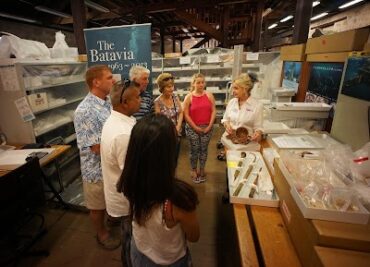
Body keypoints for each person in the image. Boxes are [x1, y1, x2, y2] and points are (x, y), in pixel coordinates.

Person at [117, 114, 200, 267]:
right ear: (168, 152)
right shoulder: (180, 198)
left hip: (139, 252)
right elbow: (194, 236)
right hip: (170, 261)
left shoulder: (129, 180)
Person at [74, 65, 120, 250]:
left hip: (110, 164)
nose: (114, 80)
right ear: (96, 82)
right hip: (95, 169)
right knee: (97, 204)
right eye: (109, 77)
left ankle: (111, 219)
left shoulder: (107, 101)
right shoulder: (84, 111)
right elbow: (95, 147)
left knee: (109, 198)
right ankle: (101, 233)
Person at [101, 79, 141, 265]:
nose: (140, 100)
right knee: (131, 242)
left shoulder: (117, 120)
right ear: (124, 103)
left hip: (121, 195)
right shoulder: (123, 133)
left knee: (129, 239)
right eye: (137, 97)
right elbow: (132, 175)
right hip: (127, 201)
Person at [183, 73, 216, 183]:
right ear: (193, 84)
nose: (201, 84)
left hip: (207, 128)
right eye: (198, 82)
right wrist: (195, 127)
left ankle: (202, 169)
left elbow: (213, 111)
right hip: (192, 128)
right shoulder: (189, 97)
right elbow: (186, 114)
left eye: (202, 82)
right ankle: (193, 169)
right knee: (194, 150)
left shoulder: (209, 95)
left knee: (204, 150)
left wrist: (210, 125)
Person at [221, 73, 263, 145]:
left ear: (245, 89)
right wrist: (227, 125)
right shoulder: (232, 102)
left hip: (246, 143)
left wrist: (258, 134)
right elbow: (225, 119)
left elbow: (258, 127)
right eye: (233, 88)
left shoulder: (257, 105)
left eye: (236, 88)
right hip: (230, 141)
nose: (233, 91)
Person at [154, 73, 183, 162]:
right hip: (165, 135)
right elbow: (158, 120)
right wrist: (170, 130)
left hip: (177, 134)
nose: (171, 89)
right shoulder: (157, 102)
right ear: (162, 88)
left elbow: (181, 112)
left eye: (172, 86)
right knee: (165, 159)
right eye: (168, 87)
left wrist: (178, 127)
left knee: (175, 157)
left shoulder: (175, 97)